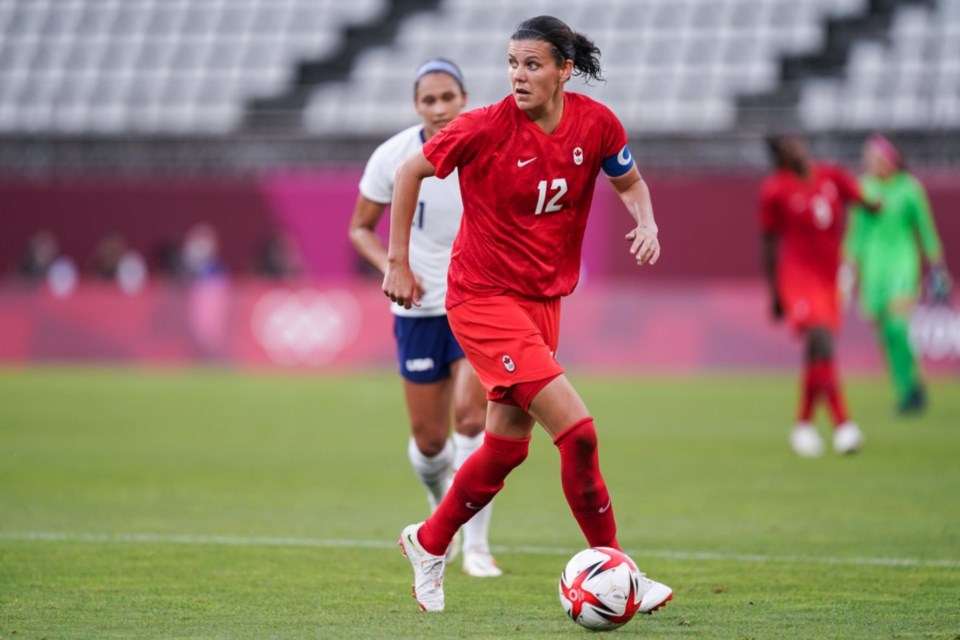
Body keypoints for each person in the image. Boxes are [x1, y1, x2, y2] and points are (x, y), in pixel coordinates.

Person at [383, 15, 673, 614]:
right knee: (579, 432)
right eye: (512, 63)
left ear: (565, 70)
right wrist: (399, 263)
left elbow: (632, 183)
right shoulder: (483, 126)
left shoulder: (597, 124)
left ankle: (428, 541)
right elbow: (410, 171)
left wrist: (645, 221)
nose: (518, 75)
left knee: (506, 449)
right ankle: (623, 573)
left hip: (543, 302)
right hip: (483, 300)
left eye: (532, 64)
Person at [348, 59, 502, 578]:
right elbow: (360, 230)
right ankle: (446, 517)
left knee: (472, 418)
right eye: (428, 100)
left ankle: (477, 546)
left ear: (465, 98)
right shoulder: (393, 156)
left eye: (448, 97)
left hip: (477, 303)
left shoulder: (491, 146)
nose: (439, 108)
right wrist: (395, 266)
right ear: (416, 106)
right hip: (417, 312)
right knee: (431, 442)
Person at [759, 133, 877, 457]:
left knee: (817, 349)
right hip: (797, 277)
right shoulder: (775, 189)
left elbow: (863, 198)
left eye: (796, 142)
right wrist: (774, 292)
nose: (797, 148)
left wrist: (876, 203)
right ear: (780, 156)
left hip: (829, 277)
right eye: (788, 147)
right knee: (820, 338)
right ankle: (843, 425)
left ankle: (803, 424)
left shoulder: (830, 175)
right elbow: (768, 242)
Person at [842, 134, 951, 414]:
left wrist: (937, 266)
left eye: (874, 157)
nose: (869, 162)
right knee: (885, 334)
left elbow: (925, 230)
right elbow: (856, 233)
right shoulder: (863, 188)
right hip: (873, 268)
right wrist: (848, 269)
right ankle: (905, 388)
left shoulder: (909, 189)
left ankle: (913, 384)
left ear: (891, 160)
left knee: (897, 326)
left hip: (902, 264)